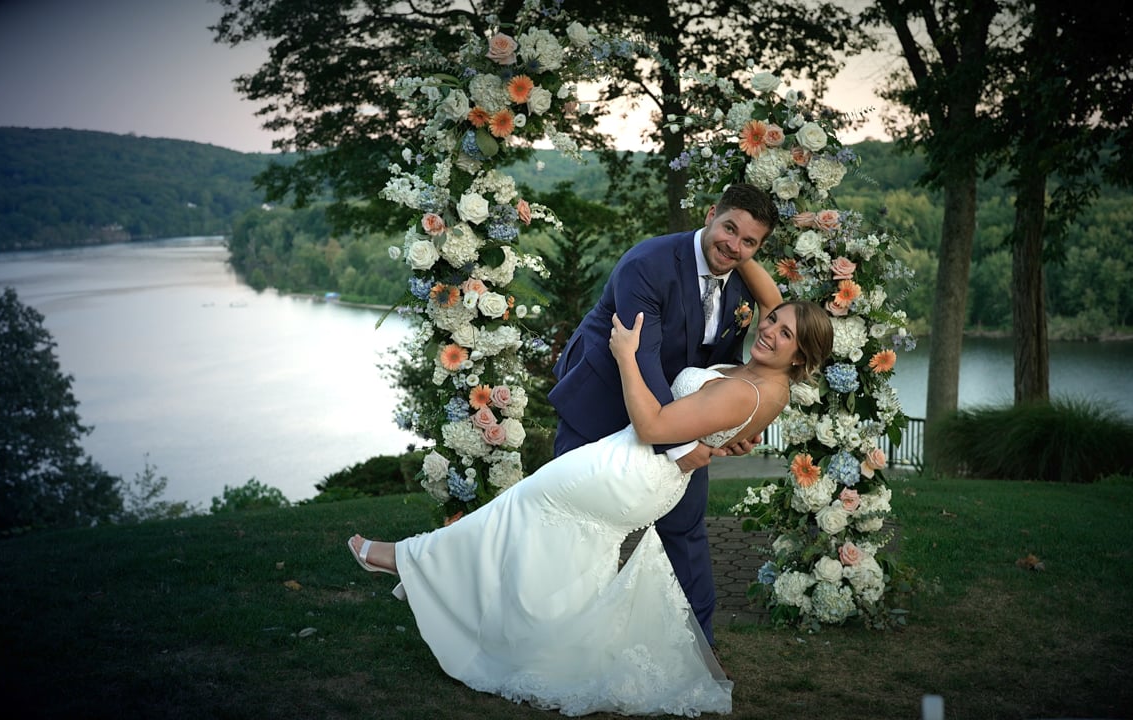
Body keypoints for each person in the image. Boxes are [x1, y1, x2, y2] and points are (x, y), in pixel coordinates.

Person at [347, 294, 835, 716]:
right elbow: (706, 428)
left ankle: (410, 561)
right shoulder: (764, 377)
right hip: (637, 462)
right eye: (772, 320)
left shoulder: (754, 388)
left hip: (638, 468)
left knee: (524, 502)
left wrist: (627, 355)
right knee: (566, 549)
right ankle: (521, 627)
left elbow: (653, 428)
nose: (769, 328)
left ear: (801, 355)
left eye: (786, 332)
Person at [548, 182, 779, 648]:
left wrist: (726, 431)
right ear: (711, 214)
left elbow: (723, 370)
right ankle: (564, 636)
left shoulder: (741, 288)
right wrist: (681, 444)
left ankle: (699, 646)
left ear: (757, 249)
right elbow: (644, 358)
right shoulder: (648, 265)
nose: (733, 246)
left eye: (749, 242)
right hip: (603, 398)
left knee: (686, 526)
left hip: (675, 415)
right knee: (572, 519)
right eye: (729, 228)